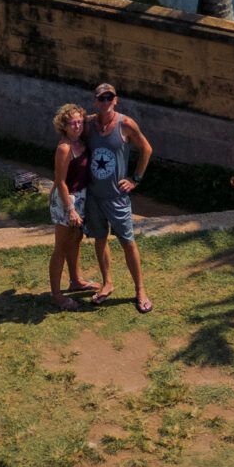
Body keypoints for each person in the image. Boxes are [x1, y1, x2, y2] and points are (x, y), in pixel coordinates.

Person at [82, 83, 153, 312]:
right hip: (94, 195)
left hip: (117, 197)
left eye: (109, 98)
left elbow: (147, 149)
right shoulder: (89, 124)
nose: (105, 102)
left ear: (116, 100)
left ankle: (140, 289)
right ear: (95, 101)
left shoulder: (125, 124)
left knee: (128, 242)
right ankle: (107, 283)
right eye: (101, 98)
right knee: (100, 239)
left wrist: (136, 179)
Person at [47, 104, 88, 308]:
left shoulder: (80, 142)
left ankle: (76, 281)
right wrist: (70, 209)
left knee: (75, 241)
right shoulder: (64, 148)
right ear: (64, 125)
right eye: (73, 123)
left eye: (81, 121)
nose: (78, 126)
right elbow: (61, 181)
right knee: (61, 248)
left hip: (80, 197)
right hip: (67, 200)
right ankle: (56, 294)